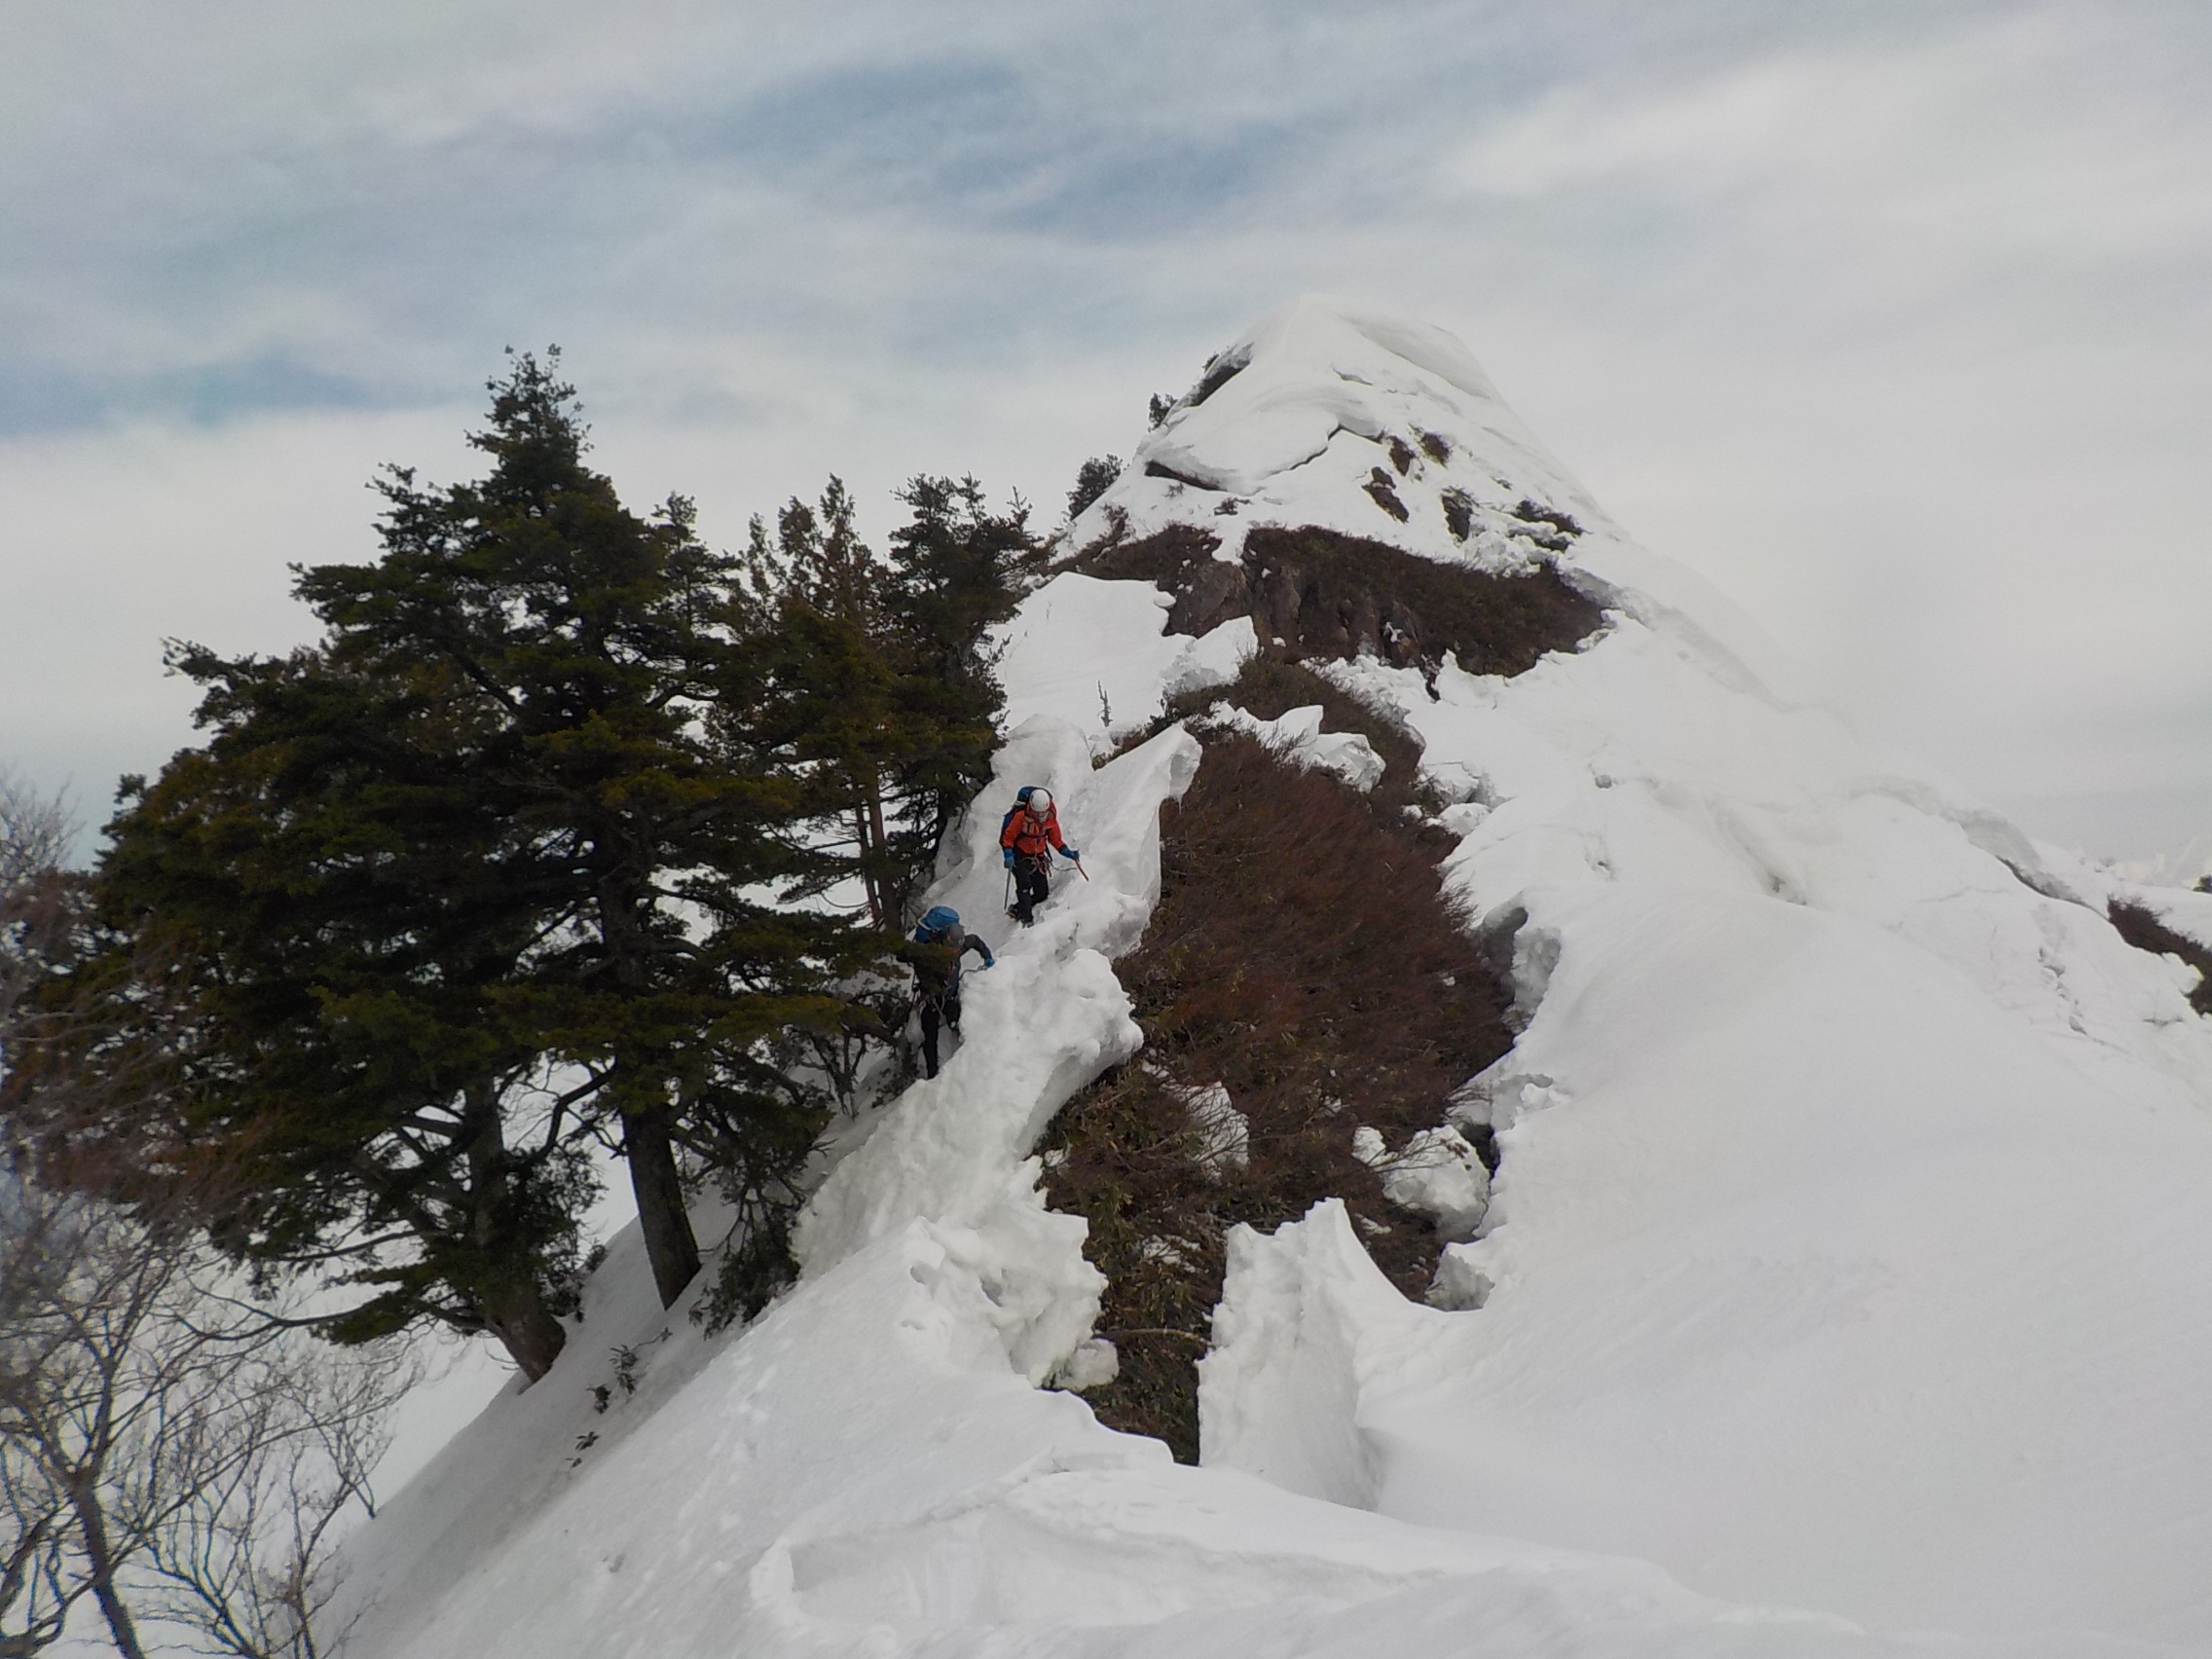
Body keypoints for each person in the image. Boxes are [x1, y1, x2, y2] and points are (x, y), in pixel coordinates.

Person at [901, 904, 993, 1079]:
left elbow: (976, 941)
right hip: (932, 998)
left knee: (956, 1017)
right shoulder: (929, 954)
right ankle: (933, 1073)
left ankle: (969, 1053)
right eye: (953, 948)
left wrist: (987, 957)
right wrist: (933, 989)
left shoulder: (956, 945)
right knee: (930, 1035)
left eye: (958, 949)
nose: (956, 951)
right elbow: (911, 961)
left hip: (948, 995)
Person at [1000, 786, 1082, 926]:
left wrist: (1066, 851)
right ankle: (1027, 918)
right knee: (1024, 885)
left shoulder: (1050, 818)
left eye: (1042, 813)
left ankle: (1017, 908)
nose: (1040, 816)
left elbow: (1055, 839)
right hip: (1019, 854)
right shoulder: (1021, 817)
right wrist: (1008, 853)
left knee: (1042, 893)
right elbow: (1008, 837)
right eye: (1037, 813)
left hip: (1037, 855)